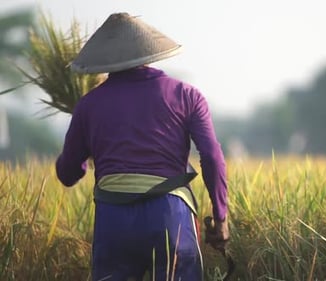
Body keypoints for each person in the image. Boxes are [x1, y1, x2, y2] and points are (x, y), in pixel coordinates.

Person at [55, 12, 229, 281]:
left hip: (114, 222)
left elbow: (67, 175)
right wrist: (220, 217)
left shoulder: (88, 105)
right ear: (149, 53)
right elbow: (211, 156)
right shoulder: (187, 95)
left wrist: (85, 148)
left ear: (105, 59)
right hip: (171, 216)